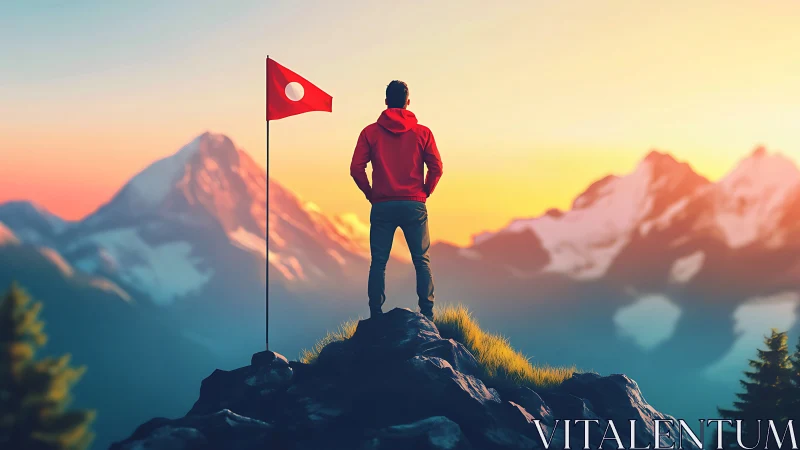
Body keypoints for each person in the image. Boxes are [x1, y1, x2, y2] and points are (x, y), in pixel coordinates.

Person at [350, 80, 443, 320]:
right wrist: (425, 191)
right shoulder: (423, 132)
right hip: (414, 204)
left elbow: (356, 168)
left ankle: (375, 314)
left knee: (378, 262)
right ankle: (428, 315)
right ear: (408, 102)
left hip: (383, 204)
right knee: (421, 261)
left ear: (385, 102)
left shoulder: (369, 132)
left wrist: (371, 193)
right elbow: (437, 167)